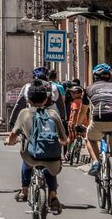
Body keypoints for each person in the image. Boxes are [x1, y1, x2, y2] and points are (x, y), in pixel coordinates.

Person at [6, 80, 68, 212]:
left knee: (26, 161)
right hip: (53, 160)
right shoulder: (53, 114)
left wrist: (10, 142)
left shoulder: (24, 113)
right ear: (46, 99)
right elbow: (64, 139)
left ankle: (24, 191)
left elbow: (13, 135)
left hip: (31, 157)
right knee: (49, 165)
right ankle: (53, 195)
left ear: (28, 99)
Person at [79, 63, 112, 206]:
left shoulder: (89, 89)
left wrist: (78, 125)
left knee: (90, 139)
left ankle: (95, 161)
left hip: (98, 120)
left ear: (95, 77)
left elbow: (83, 111)